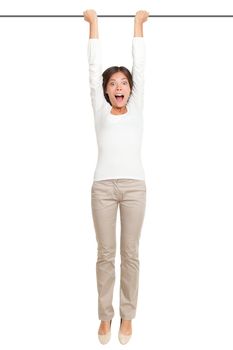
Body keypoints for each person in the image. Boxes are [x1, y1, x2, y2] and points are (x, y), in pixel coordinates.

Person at [83, 9, 149, 345]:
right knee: (105, 253)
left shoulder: (136, 106)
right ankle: (105, 317)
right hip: (103, 188)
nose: (118, 87)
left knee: (131, 253)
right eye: (113, 84)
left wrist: (137, 25)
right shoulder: (99, 107)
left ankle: (127, 316)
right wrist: (94, 24)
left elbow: (140, 64)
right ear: (106, 91)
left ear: (130, 89)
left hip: (135, 187)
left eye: (124, 83)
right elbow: (93, 69)